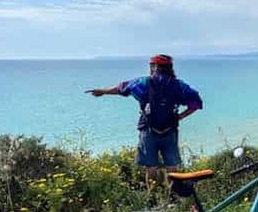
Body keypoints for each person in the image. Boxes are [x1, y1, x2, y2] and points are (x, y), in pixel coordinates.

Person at [86, 54, 203, 193]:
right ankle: (173, 195)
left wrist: (103, 91)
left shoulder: (143, 82)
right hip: (170, 131)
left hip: (148, 130)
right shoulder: (179, 86)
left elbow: (122, 88)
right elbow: (196, 103)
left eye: (151, 65)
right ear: (170, 68)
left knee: (151, 168)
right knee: (172, 168)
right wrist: (180, 117)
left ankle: (152, 197)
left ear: (154, 67)